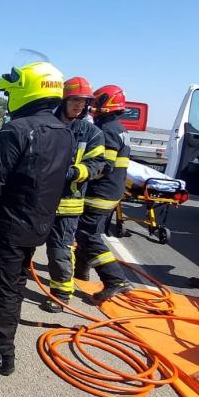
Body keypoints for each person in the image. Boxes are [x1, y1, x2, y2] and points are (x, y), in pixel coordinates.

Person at [0, 61, 74, 375]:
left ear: (26, 91)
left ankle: (0, 355)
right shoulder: (64, 132)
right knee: (16, 281)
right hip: (39, 224)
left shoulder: (16, 129)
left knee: (2, 288)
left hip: (10, 226)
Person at [41, 77, 105, 313]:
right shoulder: (46, 124)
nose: (79, 105)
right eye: (75, 100)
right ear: (64, 100)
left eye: (84, 101)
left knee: (59, 250)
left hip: (68, 204)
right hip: (40, 201)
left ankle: (61, 293)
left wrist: (71, 173)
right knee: (25, 244)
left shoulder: (92, 133)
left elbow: (98, 164)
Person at [74, 85, 134, 302]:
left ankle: (115, 280)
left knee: (87, 235)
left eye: (96, 102)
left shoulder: (107, 130)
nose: (92, 106)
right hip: (112, 191)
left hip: (101, 192)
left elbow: (103, 166)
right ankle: (80, 271)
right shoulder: (119, 128)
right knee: (88, 233)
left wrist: (78, 175)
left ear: (106, 103)